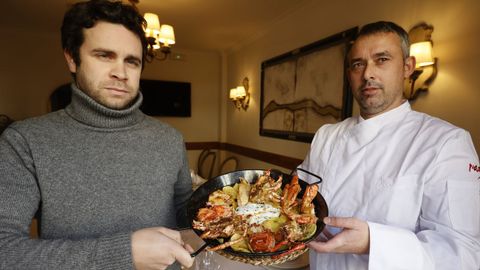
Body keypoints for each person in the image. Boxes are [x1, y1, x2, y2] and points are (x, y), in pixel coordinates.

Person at [0, 0, 195, 269]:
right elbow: (4, 251)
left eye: (132, 61)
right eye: (104, 55)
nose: (121, 73)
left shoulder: (170, 138)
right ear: (71, 57)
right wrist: (124, 253)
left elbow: (187, 214)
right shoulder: (24, 141)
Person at [298, 21, 480, 269]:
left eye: (381, 59)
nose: (367, 74)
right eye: (358, 64)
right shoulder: (326, 136)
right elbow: (299, 196)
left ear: (407, 67)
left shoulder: (446, 142)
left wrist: (374, 242)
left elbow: (465, 256)